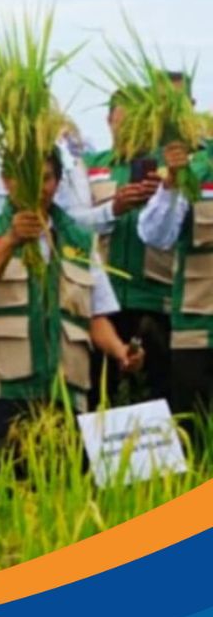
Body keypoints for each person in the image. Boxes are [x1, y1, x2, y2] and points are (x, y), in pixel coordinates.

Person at [0, 147, 142, 440]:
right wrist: (10, 241)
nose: (37, 188)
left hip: (63, 391)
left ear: (57, 183)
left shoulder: (80, 241)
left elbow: (95, 316)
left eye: (45, 179)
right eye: (27, 178)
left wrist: (121, 351)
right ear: (6, 181)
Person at [80, 92, 170, 405]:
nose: (133, 130)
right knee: (100, 394)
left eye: (142, 122)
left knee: (157, 396)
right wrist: (114, 207)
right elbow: (73, 224)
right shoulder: (89, 166)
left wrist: (165, 196)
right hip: (102, 302)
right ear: (109, 121)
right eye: (125, 121)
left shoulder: (171, 171)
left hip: (156, 297)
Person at [137, 143, 213, 417]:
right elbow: (156, 236)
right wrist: (171, 185)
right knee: (195, 430)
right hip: (197, 334)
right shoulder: (194, 169)